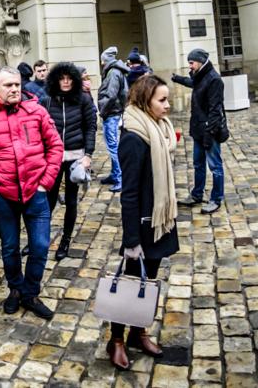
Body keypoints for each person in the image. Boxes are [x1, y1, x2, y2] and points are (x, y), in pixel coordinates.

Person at [0, 67, 62, 320]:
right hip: (4, 197)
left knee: (40, 246)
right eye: (8, 85)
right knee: (9, 248)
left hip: (36, 192)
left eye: (17, 85)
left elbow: (55, 146)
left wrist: (45, 182)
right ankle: (15, 289)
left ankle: (30, 293)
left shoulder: (37, 112)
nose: (14, 89)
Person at [106, 74, 178, 370]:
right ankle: (117, 340)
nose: (168, 106)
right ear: (144, 101)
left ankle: (138, 332)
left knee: (148, 284)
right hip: (143, 225)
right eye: (162, 100)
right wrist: (131, 240)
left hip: (159, 221)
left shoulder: (159, 129)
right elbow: (129, 194)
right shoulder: (134, 137)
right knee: (130, 285)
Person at [41, 62, 97, 260]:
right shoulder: (46, 100)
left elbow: (91, 127)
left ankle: (65, 239)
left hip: (75, 157)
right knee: (48, 200)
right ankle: (41, 239)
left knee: (71, 201)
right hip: (53, 158)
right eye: (62, 78)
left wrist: (88, 155)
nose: (65, 82)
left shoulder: (83, 100)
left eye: (69, 78)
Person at [172, 48, 227, 214]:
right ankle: (197, 194)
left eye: (191, 63)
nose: (190, 66)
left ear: (200, 62)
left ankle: (216, 198)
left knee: (215, 166)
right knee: (198, 164)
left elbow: (215, 111)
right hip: (198, 129)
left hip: (209, 130)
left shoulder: (214, 79)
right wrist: (178, 79)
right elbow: (194, 84)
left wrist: (210, 134)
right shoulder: (201, 76)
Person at [98, 46, 130, 193]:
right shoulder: (116, 71)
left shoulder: (113, 73)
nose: (102, 63)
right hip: (114, 112)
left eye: (103, 60)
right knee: (113, 146)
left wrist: (103, 110)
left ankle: (120, 178)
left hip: (112, 113)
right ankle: (114, 174)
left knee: (113, 147)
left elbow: (111, 95)